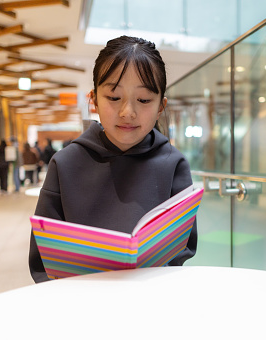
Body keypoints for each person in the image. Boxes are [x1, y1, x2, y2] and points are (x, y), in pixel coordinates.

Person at [28, 36, 197, 283]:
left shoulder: (174, 164)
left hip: (152, 296)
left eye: (144, 100)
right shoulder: (64, 164)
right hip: (79, 301)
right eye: (114, 97)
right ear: (94, 99)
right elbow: (43, 258)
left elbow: (183, 248)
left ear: (161, 106)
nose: (127, 112)